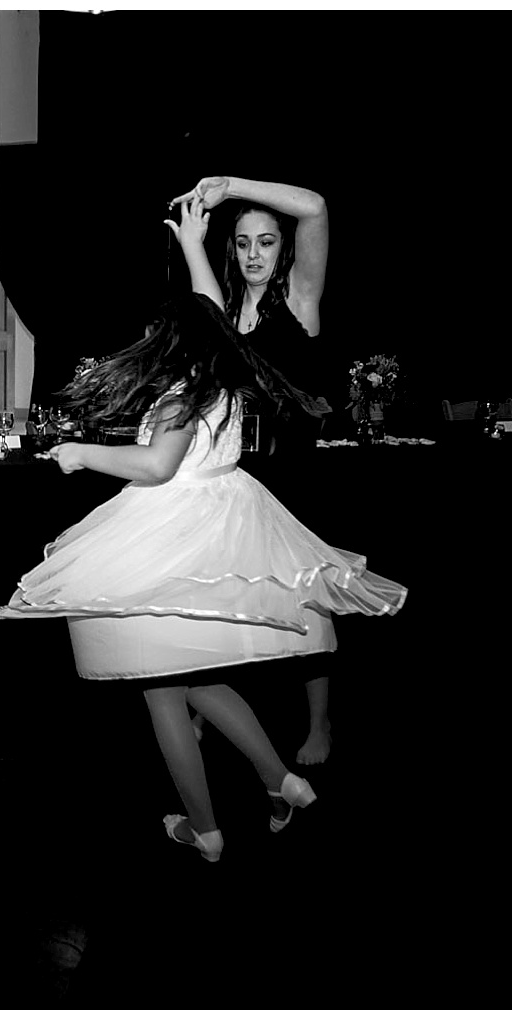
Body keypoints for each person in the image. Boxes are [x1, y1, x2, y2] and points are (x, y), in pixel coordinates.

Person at [0, 287, 406, 862]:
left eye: (151, 334)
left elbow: (159, 467)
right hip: (210, 533)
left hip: (169, 543)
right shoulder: (221, 392)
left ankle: (205, 830)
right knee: (197, 681)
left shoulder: (181, 395)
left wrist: (80, 452)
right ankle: (280, 781)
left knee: (162, 690)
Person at [166, 175, 336, 765]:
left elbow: (313, 206)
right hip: (239, 475)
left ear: (282, 249)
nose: (255, 254)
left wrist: (228, 186)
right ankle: (208, 707)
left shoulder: (300, 301)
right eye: (242, 243)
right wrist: (194, 239)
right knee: (224, 589)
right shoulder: (231, 308)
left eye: (266, 242)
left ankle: (320, 722)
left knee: (304, 601)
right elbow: (204, 304)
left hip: (294, 478)